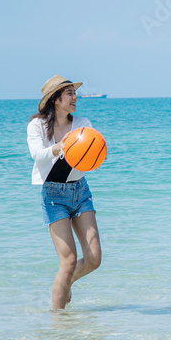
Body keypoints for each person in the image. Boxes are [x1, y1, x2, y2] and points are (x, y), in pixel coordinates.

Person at [27, 76, 102, 310]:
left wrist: (98, 155)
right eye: (69, 93)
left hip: (80, 192)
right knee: (68, 261)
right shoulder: (36, 126)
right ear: (55, 100)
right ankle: (59, 324)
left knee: (94, 259)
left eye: (74, 93)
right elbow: (36, 154)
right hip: (53, 195)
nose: (74, 97)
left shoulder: (83, 123)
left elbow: (89, 155)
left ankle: (64, 284)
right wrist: (60, 147)